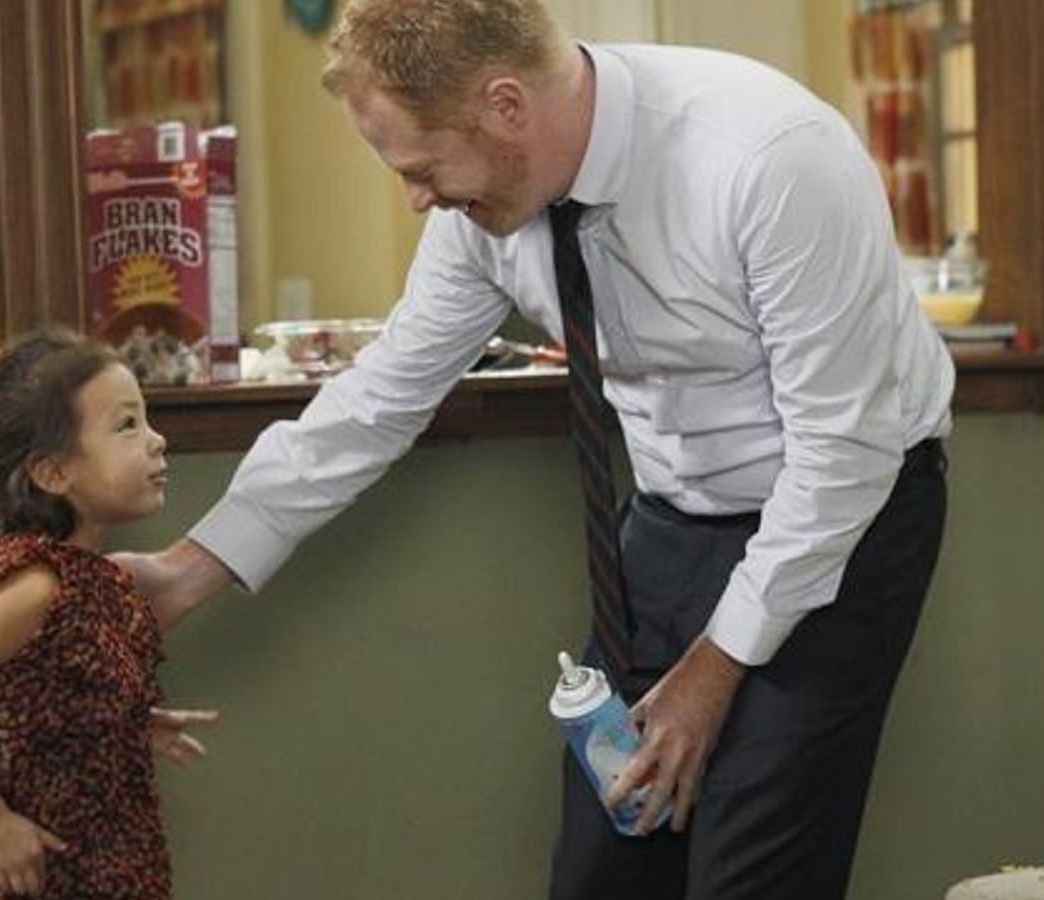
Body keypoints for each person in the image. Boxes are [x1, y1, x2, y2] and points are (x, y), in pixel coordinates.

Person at [122, 1, 954, 897]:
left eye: (422, 166)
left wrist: (712, 672)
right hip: (670, 524)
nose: (417, 196)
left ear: (506, 105)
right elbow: (377, 400)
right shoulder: (480, 215)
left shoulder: (769, 158)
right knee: (604, 862)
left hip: (846, 523)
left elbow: (846, 451)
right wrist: (184, 571)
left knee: (751, 871)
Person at [0, 329, 219, 899]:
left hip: (88, 850)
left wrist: (119, 722)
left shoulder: (94, 577)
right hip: (12, 870)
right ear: (52, 473)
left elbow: (44, 693)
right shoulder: (37, 587)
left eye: (146, 419)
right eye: (127, 425)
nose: (157, 440)